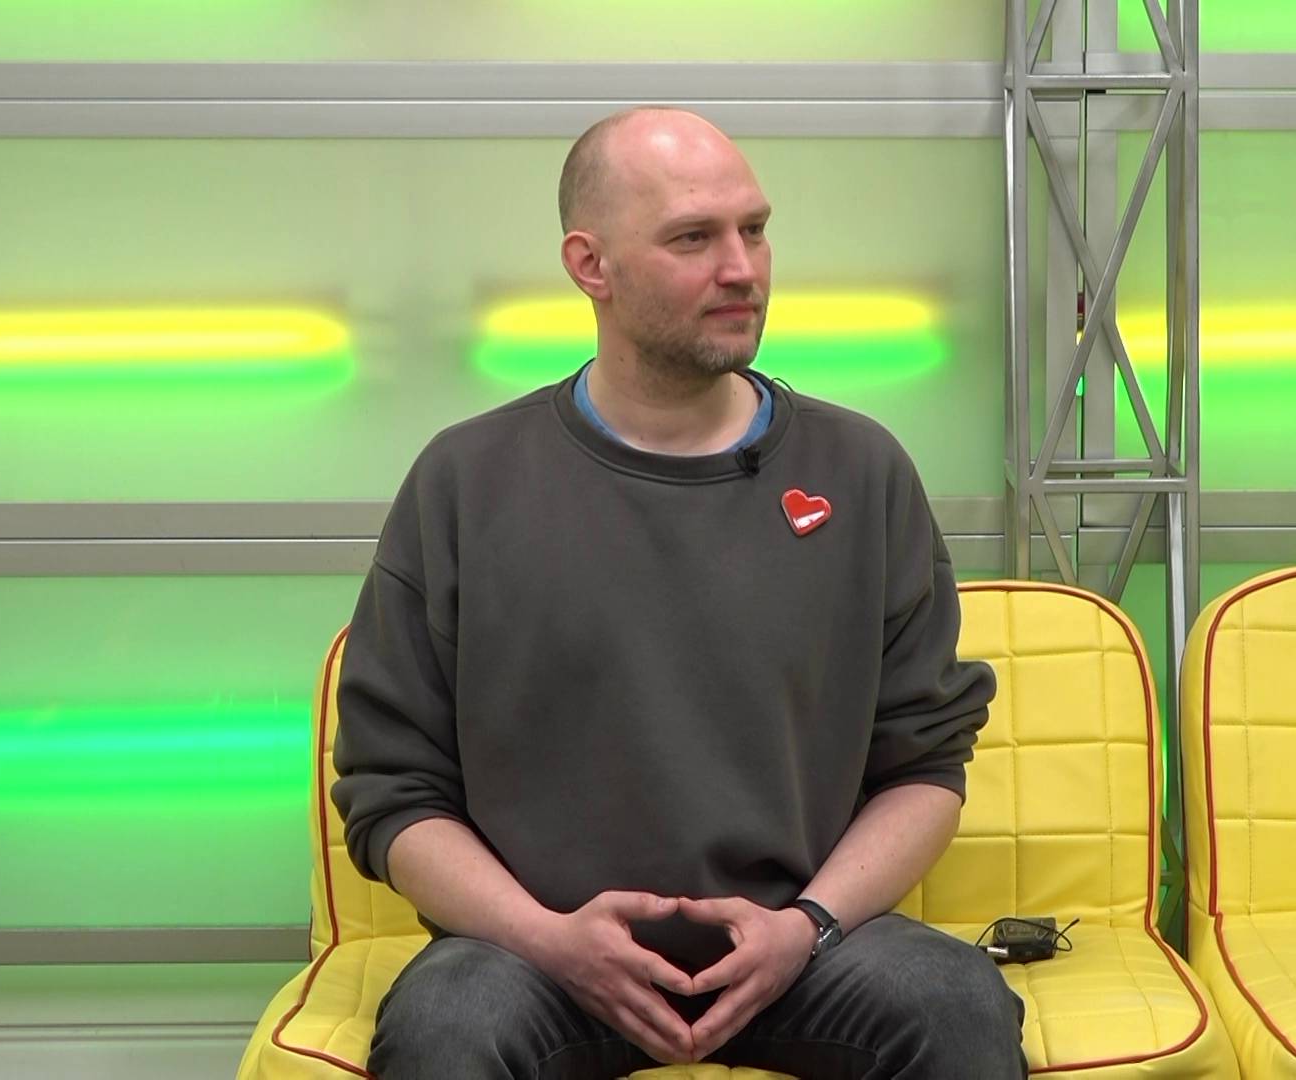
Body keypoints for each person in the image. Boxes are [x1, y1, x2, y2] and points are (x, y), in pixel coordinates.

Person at [331, 105, 1028, 1079]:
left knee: (955, 1002)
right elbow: (392, 792)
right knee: (449, 1026)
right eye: (693, 238)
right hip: (534, 955)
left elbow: (925, 768)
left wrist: (807, 926)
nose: (743, 268)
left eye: (755, 229)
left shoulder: (861, 472)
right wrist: (547, 939)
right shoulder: (466, 482)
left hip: (804, 948)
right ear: (591, 265)